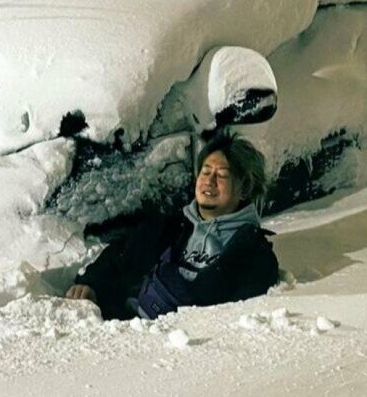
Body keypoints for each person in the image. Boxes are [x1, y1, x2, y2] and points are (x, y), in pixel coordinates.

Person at [65, 131, 279, 320]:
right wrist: (91, 283)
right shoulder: (169, 227)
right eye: (205, 172)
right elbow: (120, 255)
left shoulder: (253, 253)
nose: (209, 181)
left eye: (222, 175)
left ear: (244, 190)